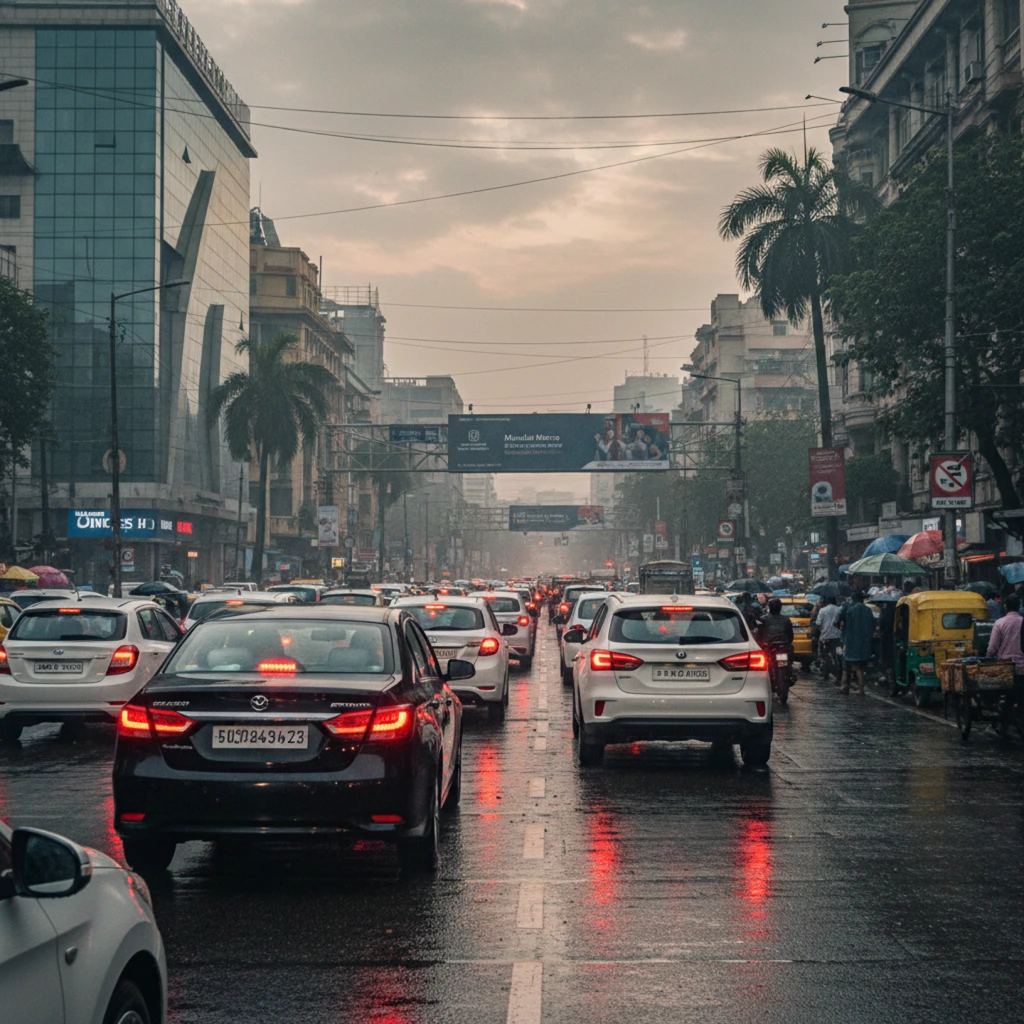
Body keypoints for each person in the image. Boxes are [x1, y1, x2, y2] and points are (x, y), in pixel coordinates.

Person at [839, 591, 875, 695]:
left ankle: (858, 689)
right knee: (861, 667)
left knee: (852, 667)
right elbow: (872, 625)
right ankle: (859, 688)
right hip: (865, 643)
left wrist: (845, 642)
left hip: (852, 643)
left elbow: (848, 628)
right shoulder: (868, 610)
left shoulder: (851, 611)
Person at [989, 594, 1024, 676]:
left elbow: (992, 648)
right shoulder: (1022, 621)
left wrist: (988, 659)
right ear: (1018, 607)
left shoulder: (999, 623)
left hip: (1004, 667)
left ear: (1005, 607)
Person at [816, 596, 843, 681]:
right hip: (837, 638)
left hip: (825, 637)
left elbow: (818, 624)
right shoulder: (839, 610)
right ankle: (838, 676)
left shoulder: (822, 610)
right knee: (838, 656)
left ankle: (826, 674)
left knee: (825, 656)